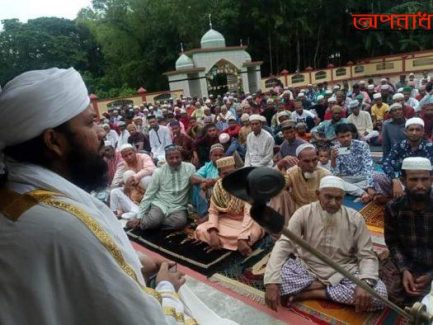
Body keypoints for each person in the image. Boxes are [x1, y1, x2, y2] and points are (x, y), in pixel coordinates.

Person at [0, 67, 202, 324]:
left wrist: (135, 263)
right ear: (53, 141)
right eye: (89, 122)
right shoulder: (67, 225)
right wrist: (166, 287)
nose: (102, 131)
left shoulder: (13, 195)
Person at [264, 176, 387, 312]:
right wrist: (271, 282)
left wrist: (364, 285)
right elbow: (284, 244)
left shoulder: (355, 218)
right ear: (318, 194)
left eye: (338, 198)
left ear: (344, 197)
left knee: (379, 294)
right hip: (307, 267)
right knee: (276, 278)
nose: (333, 203)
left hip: (343, 270)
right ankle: (325, 287)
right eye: (328, 197)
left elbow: (367, 255)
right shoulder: (304, 213)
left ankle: (313, 292)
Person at [382, 157, 433, 306]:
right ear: (403, 181)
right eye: (414, 179)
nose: (420, 185)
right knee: (388, 293)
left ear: (431, 179)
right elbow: (392, 242)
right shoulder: (393, 207)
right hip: (407, 261)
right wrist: (404, 270)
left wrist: (430, 275)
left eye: (424, 179)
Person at [194, 156, 264, 255]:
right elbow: (213, 211)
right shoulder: (218, 186)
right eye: (224, 174)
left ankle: (239, 242)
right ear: (219, 175)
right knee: (200, 229)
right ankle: (234, 243)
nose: (229, 176)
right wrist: (213, 232)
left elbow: (249, 213)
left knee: (254, 232)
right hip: (227, 219)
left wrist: (242, 237)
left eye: (231, 173)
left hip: (249, 219)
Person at [127, 145, 196, 231]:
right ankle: (148, 220)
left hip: (178, 206)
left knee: (179, 222)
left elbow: (192, 188)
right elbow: (149, 194)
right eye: (171, 158)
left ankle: (152, 222)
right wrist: (139, 216)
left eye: (177, 157)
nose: (175, 160)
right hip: (160, 204)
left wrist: (191, 205)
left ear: (181, 157)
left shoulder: (190, 168)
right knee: (154, 220)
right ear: (166, 159)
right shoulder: (159, 172)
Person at [270, 144, 330, 225]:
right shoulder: (292, 172)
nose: (311, 165)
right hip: (297, 210)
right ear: (298, 162)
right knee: (279, 193)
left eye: (314, 160)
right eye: (306, 161)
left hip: (319, 211)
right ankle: (284, 228)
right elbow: (274, 186)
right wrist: (280, 164)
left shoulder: (325, 174)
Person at [374, 117, 433, 201]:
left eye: (418, 130)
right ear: (405, 132)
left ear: (423, 132)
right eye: (411, 130)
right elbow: (386, 163)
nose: (414, 133)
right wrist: (395, 180)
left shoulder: (430, 147)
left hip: (423, 181)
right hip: (402, 180)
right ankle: (406, 196)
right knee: (376, 176)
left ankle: (400, 197)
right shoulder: (399, 146)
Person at [330, 123, 375, 202]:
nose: (346, 139)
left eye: (348, 135)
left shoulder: (362, 145)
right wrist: (333, 158)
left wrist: (370, 185)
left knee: (377, 178)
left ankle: (352, 190)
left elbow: (368, 166)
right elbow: (335, 173)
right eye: (342, 137)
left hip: (363, 176)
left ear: (352, 135)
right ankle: (362, 193)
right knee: (333, 182)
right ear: (337, 138)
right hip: (347, 178)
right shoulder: (336, 149)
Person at [190, 144, 225, 221]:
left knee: (203, 188)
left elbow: (227, 177)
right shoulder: (208, 166)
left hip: (224, 191)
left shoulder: (227, 164)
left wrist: (212, 181)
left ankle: (206, 215)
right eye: (215, 155)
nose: (218, 158)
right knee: (196, 185)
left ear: (224, 156)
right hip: (209, 190)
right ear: (210, 156)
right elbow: (192, 178)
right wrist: (204, 180)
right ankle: (204, 213)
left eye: (220, 155)